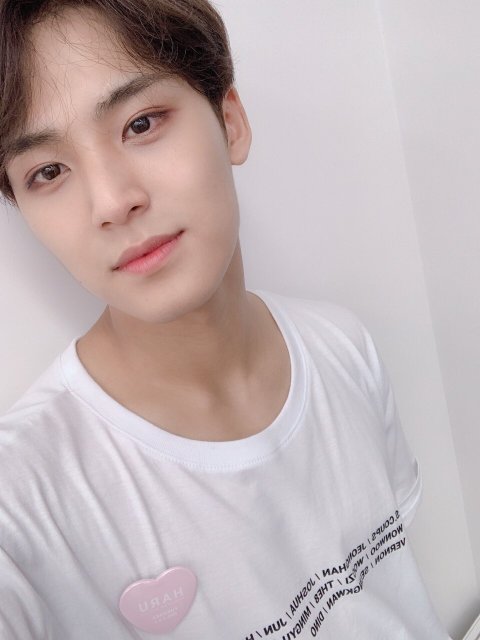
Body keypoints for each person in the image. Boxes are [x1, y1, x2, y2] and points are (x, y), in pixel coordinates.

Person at [0, 1, 449, 638]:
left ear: (229, 121)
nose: (112, 201)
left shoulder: (342, 346)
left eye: (141, 123)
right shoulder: (22, 503)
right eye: (48, 171)